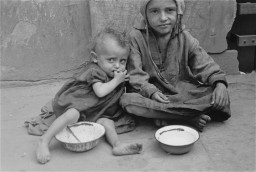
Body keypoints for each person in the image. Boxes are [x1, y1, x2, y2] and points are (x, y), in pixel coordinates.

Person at [36, 27, 142, 164]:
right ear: (95, 58)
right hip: (79, 104)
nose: (118, 66)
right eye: (111, 60)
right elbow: (100, 92)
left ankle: (117, 145)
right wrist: (117, 81)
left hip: (97, 111)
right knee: (72, 114)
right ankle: (44, 141)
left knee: (108, 122)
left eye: (122, 61)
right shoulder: (94, 71)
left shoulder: (117, 74)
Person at [120, 0, 231, 131]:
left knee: (219, 96)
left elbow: (204, 63)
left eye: (169, 10)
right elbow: (135, 74)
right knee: (128, 101)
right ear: (145, 14)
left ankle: (164, 115)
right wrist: (151, 91)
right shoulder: (135, 37)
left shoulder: (184, 36)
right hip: (149, 94)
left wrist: (220, 84)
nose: (163, 18)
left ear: (178, 11)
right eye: (155, 11)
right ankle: (186, 118)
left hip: (181, 92)